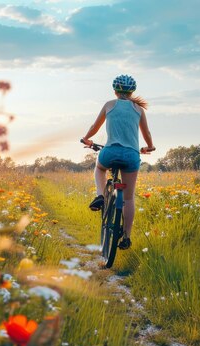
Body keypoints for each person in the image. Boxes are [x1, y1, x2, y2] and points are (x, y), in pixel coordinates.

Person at [80, 74, 155, 249]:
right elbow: (147, 134)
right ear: (132, 92)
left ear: (115, 90)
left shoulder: (109, 105)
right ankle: (126, 237)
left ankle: (100, 196)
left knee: (99, 168)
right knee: (128, 199)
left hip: (110, 152)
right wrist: (149, 147)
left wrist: (86, 138)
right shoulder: (138, 109)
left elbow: (94, 127)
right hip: (131, 155)